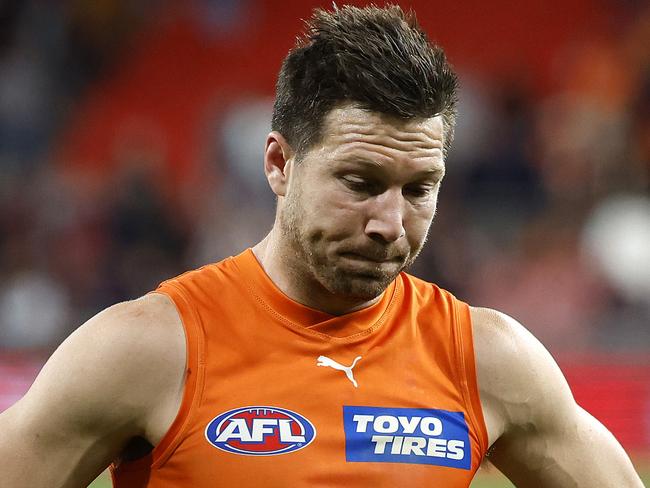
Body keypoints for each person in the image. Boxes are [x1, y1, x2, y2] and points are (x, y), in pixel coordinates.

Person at [0, 5, 644, 488]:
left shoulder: (485, 359)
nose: (390, 222)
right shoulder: (147, 349)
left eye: (420, 189)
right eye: (360, 183)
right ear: (279, 163)